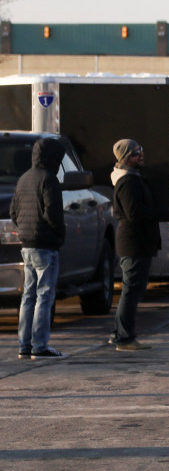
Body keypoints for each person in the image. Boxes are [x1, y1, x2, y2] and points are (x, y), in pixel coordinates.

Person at [110, 139, 169, 351]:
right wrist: (164, 214)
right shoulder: (128, 181)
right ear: (126, 157)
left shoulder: (133, 178)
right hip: (133, 242)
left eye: (141, 150)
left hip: (138, 242)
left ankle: (119, 333)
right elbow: (134, 213)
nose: (141, 155)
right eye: (137, 153)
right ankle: (124, 338)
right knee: (131, 290)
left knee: (133, 290)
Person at [11, 138, 68, 360]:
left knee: (28, 296)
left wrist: (25, 230)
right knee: (45, 296)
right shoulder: (49, 179)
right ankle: (40, 346)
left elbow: (14, 213)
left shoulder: (24, 178)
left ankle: (24, 345)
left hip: (27, 245)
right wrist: (60, 234)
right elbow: (53, 214)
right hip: (46, 246)